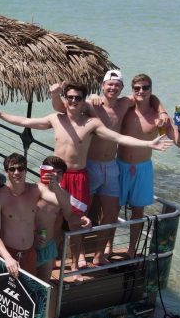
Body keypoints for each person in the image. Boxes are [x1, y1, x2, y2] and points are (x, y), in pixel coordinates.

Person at [0, 84, 172, 273]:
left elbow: (117, 137)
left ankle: (76, 264)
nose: (73, 101)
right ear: (65, 99)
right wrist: (1, 115)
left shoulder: (91, 123)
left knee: (75, 222)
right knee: (51, 218)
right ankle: (51, 260)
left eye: (78, 98)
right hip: (55, 176)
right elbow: (26, 122)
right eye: (70, 97)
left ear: (83, 100)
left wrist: (149, 143)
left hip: (79, 177)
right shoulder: (56, 119)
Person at [52, 70, 168, 265]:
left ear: (122, 88)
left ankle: (99, 254)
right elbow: (62, 108)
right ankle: (78, 255)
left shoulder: (125, 103)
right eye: (109, 84)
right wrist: (55, 95)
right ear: (103, 86)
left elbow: (149, 95)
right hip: (90, 165)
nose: (112, 87)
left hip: (112, 166)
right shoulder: (90, 104)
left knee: (111, 214)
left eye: (116, 84)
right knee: (81, 212)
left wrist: (163, 111)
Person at [118, 74, 180, 258]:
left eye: (146, 87)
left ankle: (131, 250)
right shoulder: (126, 108)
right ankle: (107, 247)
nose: (141, 91)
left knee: (138, 212)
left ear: (151, 89)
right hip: (120, 165)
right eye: (137, 88)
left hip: (143, 169)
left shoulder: (159, 118)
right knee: (109, 209)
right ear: (132, 90)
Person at [35, 156, 91, 283]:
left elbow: (69, 216)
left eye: (59, 172)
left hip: (48, 247)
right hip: (31, 245)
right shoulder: (33, 191)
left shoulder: (63, 195)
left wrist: (83, 219)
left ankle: (74, 266)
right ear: (43, 171)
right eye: (52, 171)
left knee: (43, 285)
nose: (55, 174)